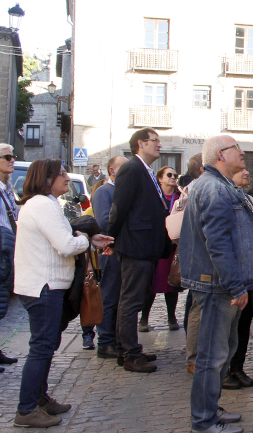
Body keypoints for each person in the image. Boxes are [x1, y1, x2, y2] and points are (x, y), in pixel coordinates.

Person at [13, 159, 112, 428]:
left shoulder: (42, 203)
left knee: (46, 345)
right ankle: (26, 409)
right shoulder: (42, 204)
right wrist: (83, 239)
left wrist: (88, 240)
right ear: (47, 179)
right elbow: (66, 245)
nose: (67, 178)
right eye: (61, 174)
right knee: (42, 347)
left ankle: (39, 399)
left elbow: (62, 239)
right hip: (43, 286)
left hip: (45, 285)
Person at [180, 135, 253, 433]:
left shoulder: (220, 185)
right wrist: (236, 285)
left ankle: (210, 409)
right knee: (212, 356)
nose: (242, 154)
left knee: (222, 353)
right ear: (219, 154)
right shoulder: (214, 188)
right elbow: (217, 243)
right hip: (218, 286)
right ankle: (203, 420)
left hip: (222, 284)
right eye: (236, 150)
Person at [107, 128, 171, 373]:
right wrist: (111, 239)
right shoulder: (132, 169)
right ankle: (129, 353)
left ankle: (129, 348)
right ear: (140, 144)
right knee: (130, 301)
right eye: (155, 141)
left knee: (136, 299)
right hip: (135, 246)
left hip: (146, 247)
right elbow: (119, 208)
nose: (159, 145)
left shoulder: (146, 171)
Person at [222, 169, 253, 391]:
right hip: (232, 273)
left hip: (251, 273)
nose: (246, 172)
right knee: (227, 326)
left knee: (243, 323)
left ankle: (237, 367)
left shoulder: (248, 199)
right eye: (240, 170)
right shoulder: (222, 196)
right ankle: (224, 371)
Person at [91, 155, 127, 359]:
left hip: (124, 252)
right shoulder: (105, 192)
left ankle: (119, 340)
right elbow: (105, 221)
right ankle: (105, 342)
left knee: (123, 298)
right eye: (123, 167)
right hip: (110, 252)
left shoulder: (124, 191)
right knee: (110, 297)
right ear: (112, 171)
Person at [139, 166, 181, 333]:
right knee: (151, 284)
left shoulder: (180, 197)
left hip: (173, 246)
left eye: (175, 175)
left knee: (172, 283)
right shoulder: (154, 197)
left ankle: (172, 316)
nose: (172, 177)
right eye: (169, 175)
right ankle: (144, 318)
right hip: (156, 245)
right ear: (160, 179)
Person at [0, 143, 19, 371]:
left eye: (12, 156)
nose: (12, 160)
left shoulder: (6, 188)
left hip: (6, 248)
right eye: (7, 157)